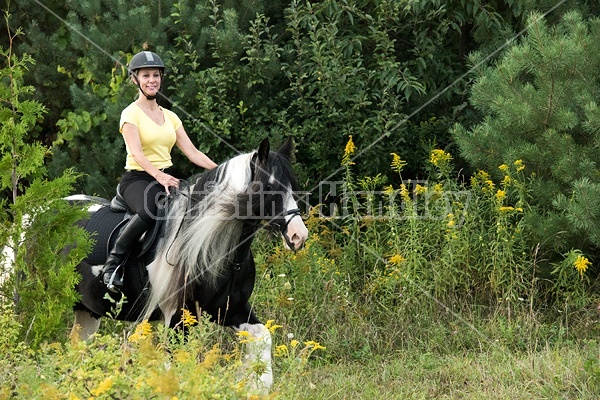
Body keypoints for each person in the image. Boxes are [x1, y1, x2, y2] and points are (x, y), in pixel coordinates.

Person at [102, 50, 218, 291]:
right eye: (146, 75)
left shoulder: (171, 116)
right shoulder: (130, 114)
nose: (152, 80)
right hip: (138, 179)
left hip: (167, 179)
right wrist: (159, 175)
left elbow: (193, 153)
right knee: (148, 210)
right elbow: (137, 154)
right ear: (135, 79)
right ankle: (112, 266)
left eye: (156, 75)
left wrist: (221, 171)